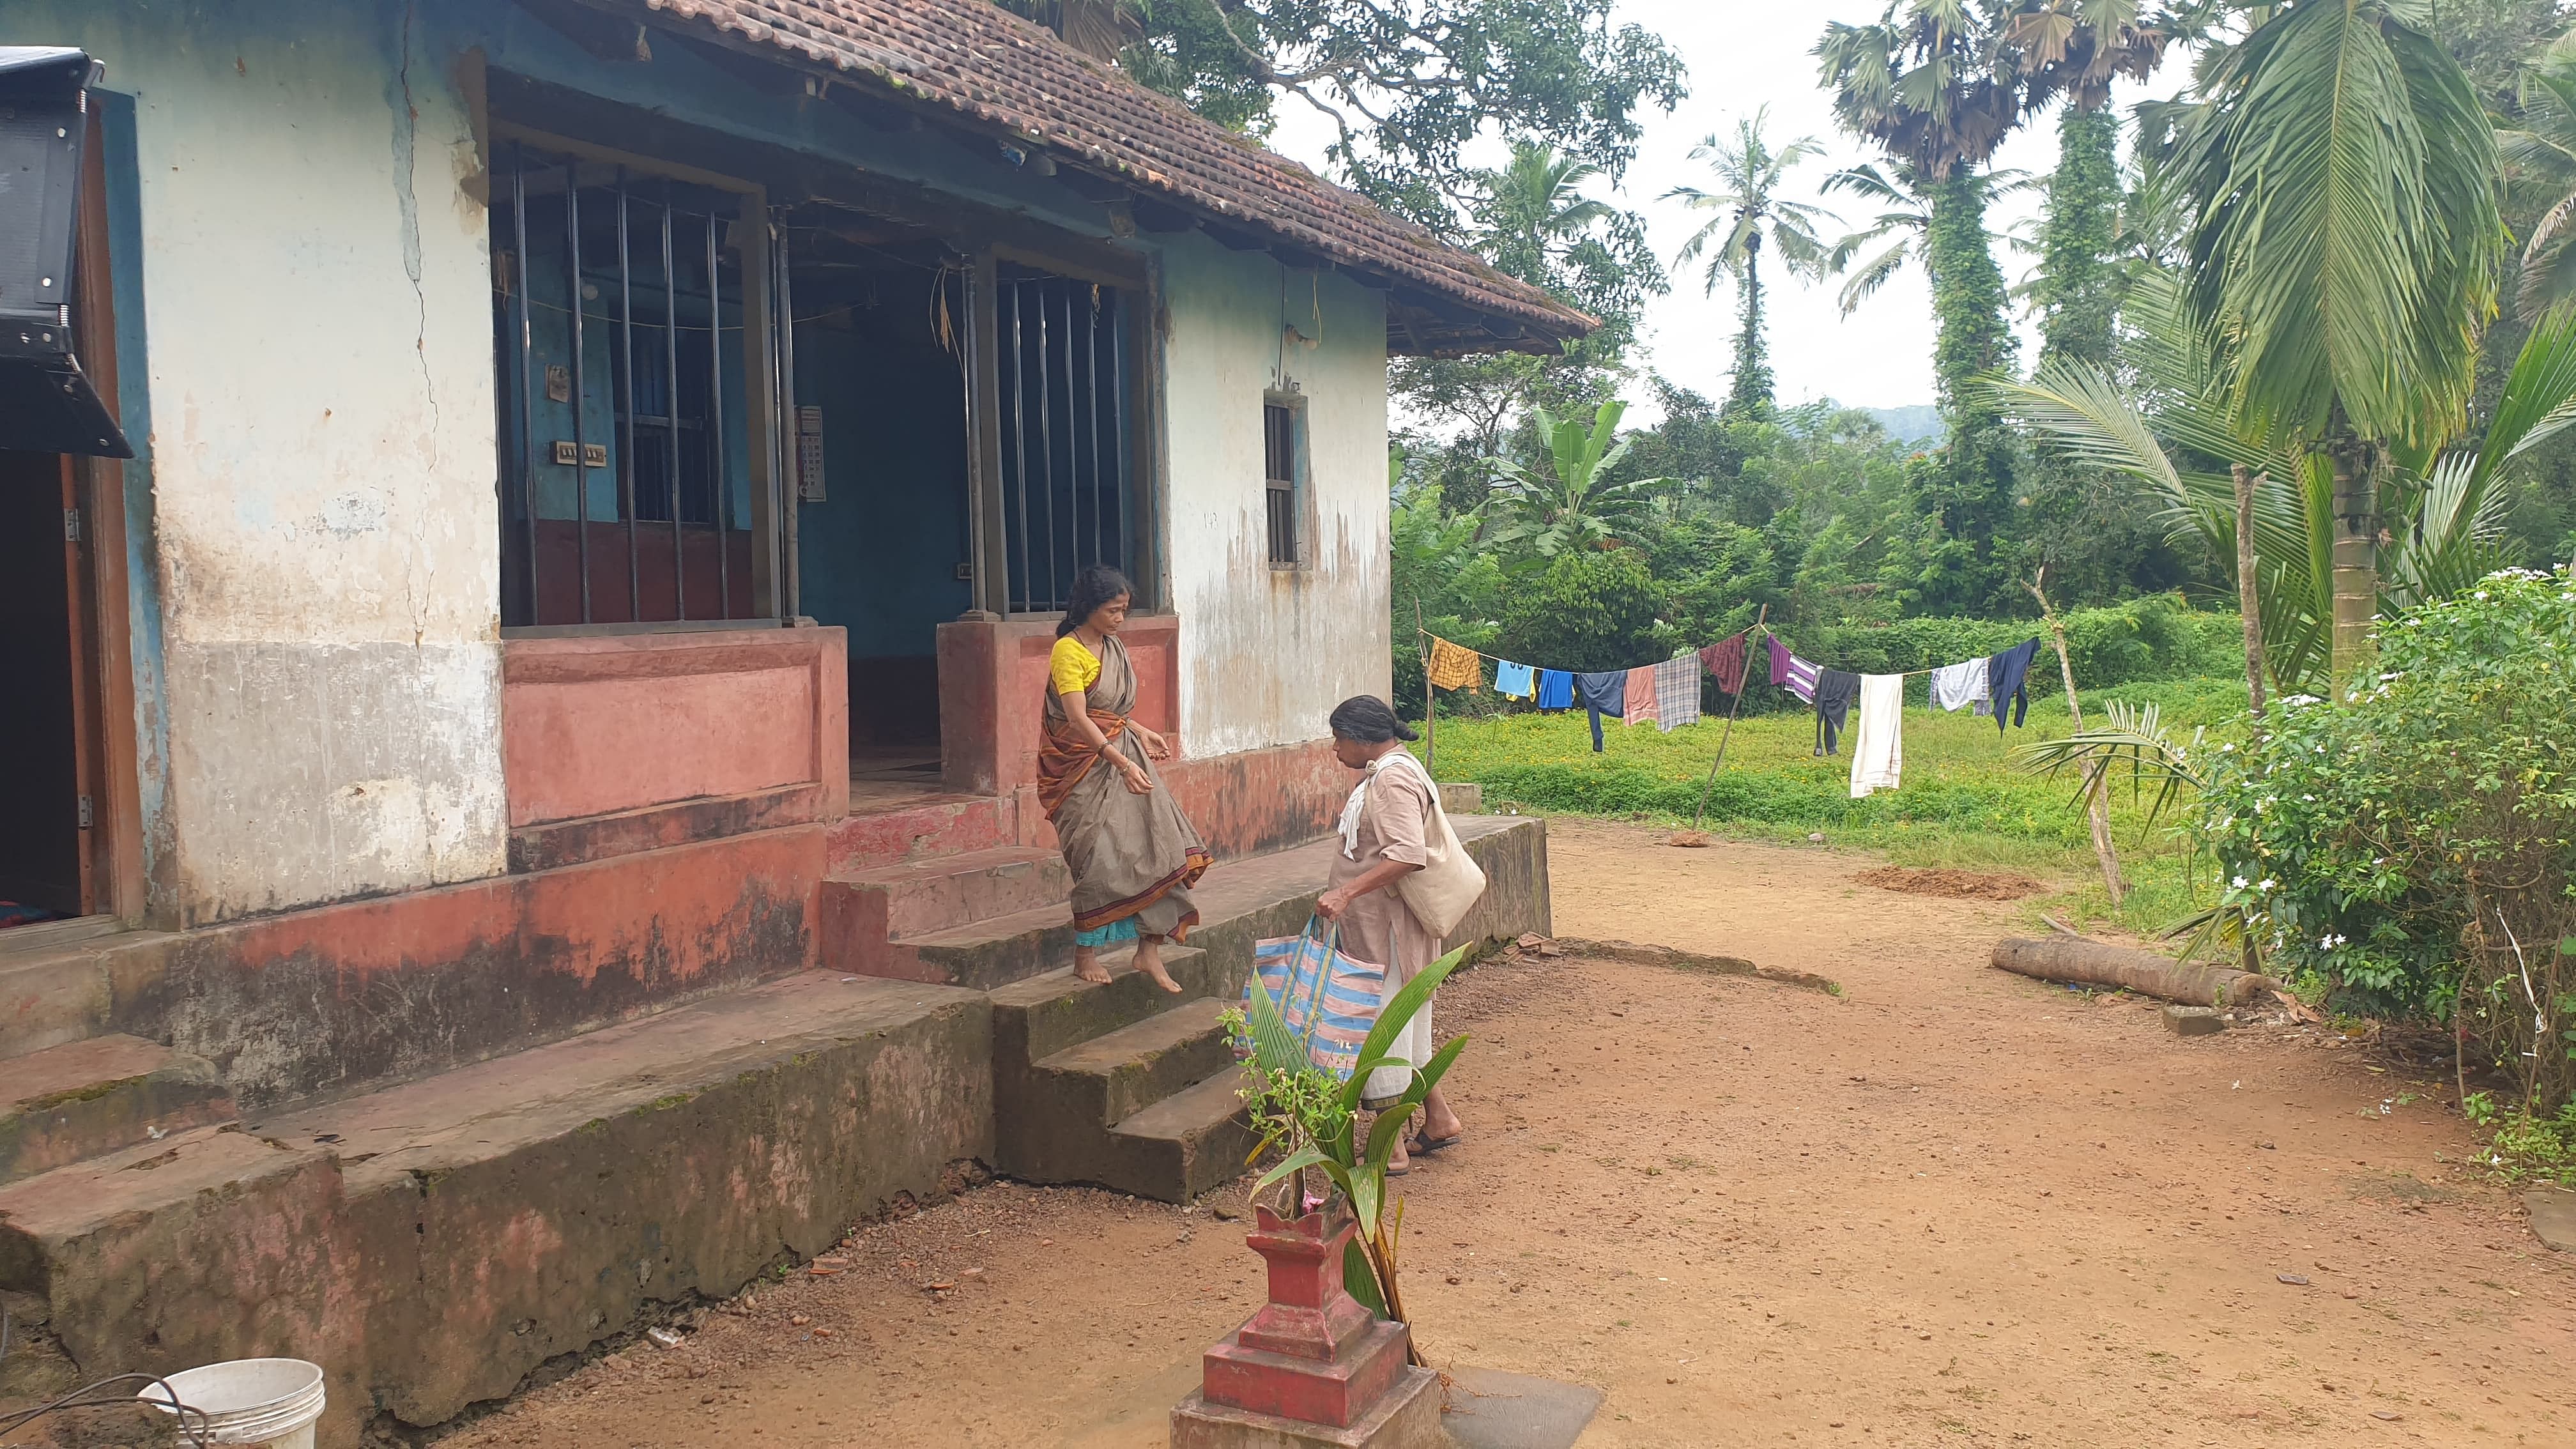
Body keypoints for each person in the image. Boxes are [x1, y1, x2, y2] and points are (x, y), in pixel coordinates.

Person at [1039, 565, 1211, 992]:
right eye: (1113, 611)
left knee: (1161, 847)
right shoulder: (1068, 650)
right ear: (1089, 607)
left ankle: (1148, 950)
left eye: (1124, 611)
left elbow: (1111, 712)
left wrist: (1139, 730)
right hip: (1081, 768)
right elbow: (1078, 717)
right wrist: (1119, 760)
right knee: (1097, 857)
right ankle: (1085, 955)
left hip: (1123, 756)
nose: (1120, 619)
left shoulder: (1112, 646)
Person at [1314, 694, 1466, 1174]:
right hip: (1388, 927)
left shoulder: (1392, 780)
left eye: (1340, 738)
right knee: (1406, 1024)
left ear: (1362, 739)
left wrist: (1346, 893)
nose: (1335, 749)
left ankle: (1390, 1148)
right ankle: (1438, 1118)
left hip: (1388, 930)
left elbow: (1407, 854)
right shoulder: (1394, 770)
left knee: (1381, 1026)